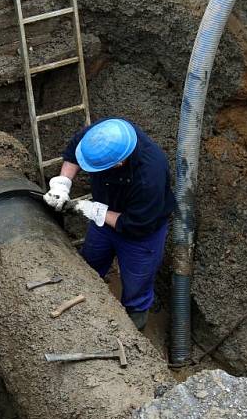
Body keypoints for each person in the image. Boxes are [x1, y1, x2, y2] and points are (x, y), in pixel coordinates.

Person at [44, 118, 175, 331]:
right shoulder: (103, 135)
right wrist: (62, 184)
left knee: (136, 285)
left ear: (118, 164)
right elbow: (73, 153)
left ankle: (134, 327)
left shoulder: (150, 174)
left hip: (141, 234)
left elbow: (136, 224)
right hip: (103, 222)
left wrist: (89, 209)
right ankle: (82, 307)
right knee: (89, 265)